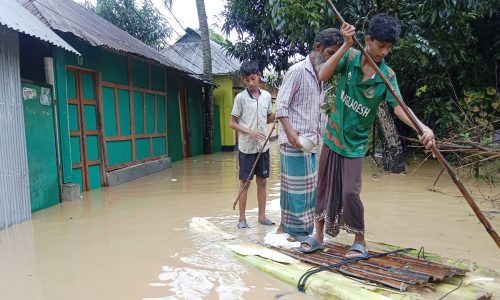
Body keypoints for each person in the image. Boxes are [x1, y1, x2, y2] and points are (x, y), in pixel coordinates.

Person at [300, 14, 436, 257]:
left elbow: (399, 107)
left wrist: (422, 128)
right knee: (323, 186)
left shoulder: (387, 76)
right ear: (368, 40)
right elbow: (323, 75)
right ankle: (318, 236)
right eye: (380, 46)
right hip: (332, 137)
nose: (384, 52)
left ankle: (359, 241)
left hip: (355, 144)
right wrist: (345, 44)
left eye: (388, 48)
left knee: (351, 192)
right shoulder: (350, 57)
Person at [275, 28, 345, 240]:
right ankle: (298, 234)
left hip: (310, 143)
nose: (332, 59)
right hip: (294, 141)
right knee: (299, 193)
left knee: (299, 189)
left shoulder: (321, 76)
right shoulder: (298, 71)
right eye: (330, 53)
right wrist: (290, 132)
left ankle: (286, 229)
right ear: (317, 48)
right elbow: (281, 105)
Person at [230, 60, 275, 229]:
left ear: (259, 77)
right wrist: (249, 131)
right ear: (243, 80)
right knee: (245, 183)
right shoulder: (240, 98)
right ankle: (242, 219)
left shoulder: (267, 96)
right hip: (247, 148)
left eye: (253, 79)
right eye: (247, 80)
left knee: (262, 182)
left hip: (263, 147)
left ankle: (262, 217)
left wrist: (278, 116)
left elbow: (268, 117)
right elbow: (232, 123)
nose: (250, 83)